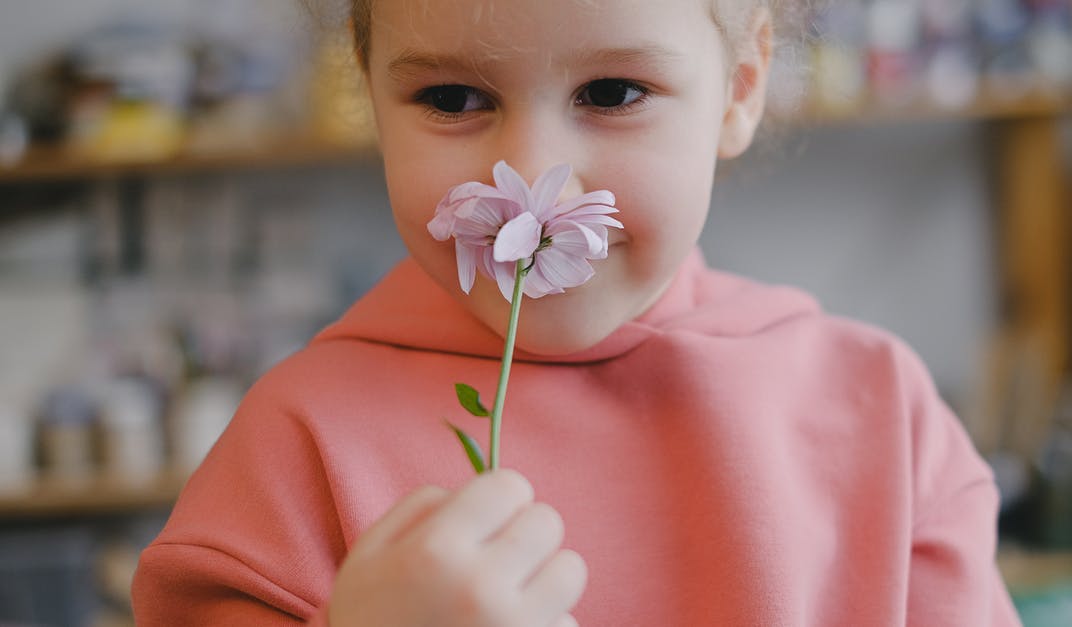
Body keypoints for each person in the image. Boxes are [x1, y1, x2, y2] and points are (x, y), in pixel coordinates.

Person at [132, 0, 1023, 625]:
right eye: (452, 99)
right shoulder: (292, 451)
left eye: (613, 93)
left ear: (742, 84)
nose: (533, 185)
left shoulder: (882, 418)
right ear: (371, 95)